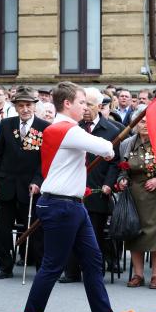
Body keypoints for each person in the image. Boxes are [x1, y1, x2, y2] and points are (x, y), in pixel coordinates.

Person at [22, 81, 128, 312]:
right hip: (61, 205)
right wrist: (106, 146)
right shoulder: (64, 129)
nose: (87, 108)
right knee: (52, 266)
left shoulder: (68, 130)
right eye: (82, 102)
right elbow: (105, 149)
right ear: (67, 104)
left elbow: (102, 150)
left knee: (93, 262)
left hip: (72, 205)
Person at [59, 87, 121, 283]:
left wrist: (108, 184)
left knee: (93, 235)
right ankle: (71, 271)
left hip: (97, 189)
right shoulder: (72, 127)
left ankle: (94, 272)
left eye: (90, 105)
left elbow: (115, 162)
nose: (85, 109)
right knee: (70, 232)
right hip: (73, 188)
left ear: (100, 106)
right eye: (82, 104)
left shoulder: (112, 130)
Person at [116, 108, 156, 289]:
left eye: (149, 122)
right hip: (134, 196)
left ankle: (155, 275)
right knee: (135, 235)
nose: (145, 125)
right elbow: (122, 169)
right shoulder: (127, 144)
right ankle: (137, 275)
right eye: (142, 122)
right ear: (136, 124)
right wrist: (122, 180)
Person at [0, 86, 48, 280]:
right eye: (21, 105)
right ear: (15, 107)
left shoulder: (44, 127)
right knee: (3, 230)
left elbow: (45, 160)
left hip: (31, 186)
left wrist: (38, 181)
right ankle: (5, 266)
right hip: (7, 184)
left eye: (28, 105)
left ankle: (40, 267)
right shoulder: (6, 124)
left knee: (33, 229)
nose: (25, 109)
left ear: (34, 106)